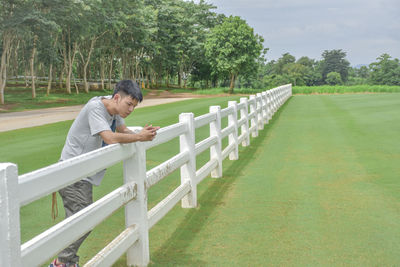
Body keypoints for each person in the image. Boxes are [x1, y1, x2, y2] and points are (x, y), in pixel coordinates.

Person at [49, 80, 159, 267]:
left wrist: (141, 132)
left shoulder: (114, 111)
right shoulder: (96, 108)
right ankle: (61, 263)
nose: (131, 109)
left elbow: (122, 130)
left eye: (134, 106)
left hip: (84, 175)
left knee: (78, 222)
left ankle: (67, 262)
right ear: (116, 97)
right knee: (84, 221)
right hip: (73, 174)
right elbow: (109, 137)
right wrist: (140, 137)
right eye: (129, 104)